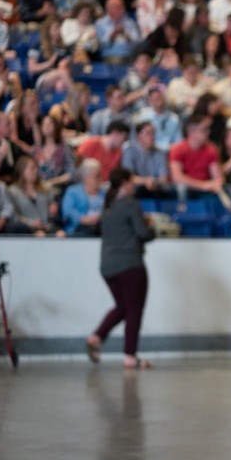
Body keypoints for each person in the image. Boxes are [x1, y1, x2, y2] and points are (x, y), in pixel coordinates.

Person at [85, 168, 156, 370]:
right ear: (125, 183)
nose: (134, 186)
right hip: (130, 265)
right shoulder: (130, 204)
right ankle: (130, 357)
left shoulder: (108, 206)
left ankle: (96, 337)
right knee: (134, 311)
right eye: (131, 182)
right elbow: (143, 234)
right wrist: (151, 226)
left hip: (108, 266)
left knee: (122, 307)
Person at [169, 114, 226, 200]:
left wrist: (216, 184)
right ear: (192, 133)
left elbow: (218, 177)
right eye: (204, 130)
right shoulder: (178, 149)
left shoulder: (211, 149)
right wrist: (203, 185)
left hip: (205, 189)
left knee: (225, 191)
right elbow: (177, 177)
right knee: (181, 189)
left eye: (207, 129)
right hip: (188, 189)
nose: (208, 132)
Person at [7, 155, 63, 236]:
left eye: (36, 168)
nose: (36, 171)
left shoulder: (45, 187)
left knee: (61, 234)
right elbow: (14, 215)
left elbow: (55, 197)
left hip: (46, 225)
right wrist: (31, 223)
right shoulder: (13, 191)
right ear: (22, 170)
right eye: (32, 168)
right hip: (28, 227)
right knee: (40, 235)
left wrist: (54, 205)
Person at [121, 122, 171, 199]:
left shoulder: (159, 153)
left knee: (170, 189)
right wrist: (146, 181)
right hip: (137, 185)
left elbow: (164, 178)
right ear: (138, 136)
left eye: (153, 133)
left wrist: (154, 182)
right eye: (147, 133)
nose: (151, 136)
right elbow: (128, 177)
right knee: (132, 188)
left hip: (155, 186)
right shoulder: (130, 151)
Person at [61, 159, 106, 236]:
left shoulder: (103, 192)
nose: (99, 179)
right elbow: (68, 212)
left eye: (100, 175)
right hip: (79, 228)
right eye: (97, 176)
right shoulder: (73, 191)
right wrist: (83, 219)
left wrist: (100, 218)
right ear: (86, 177)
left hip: (100, 225)